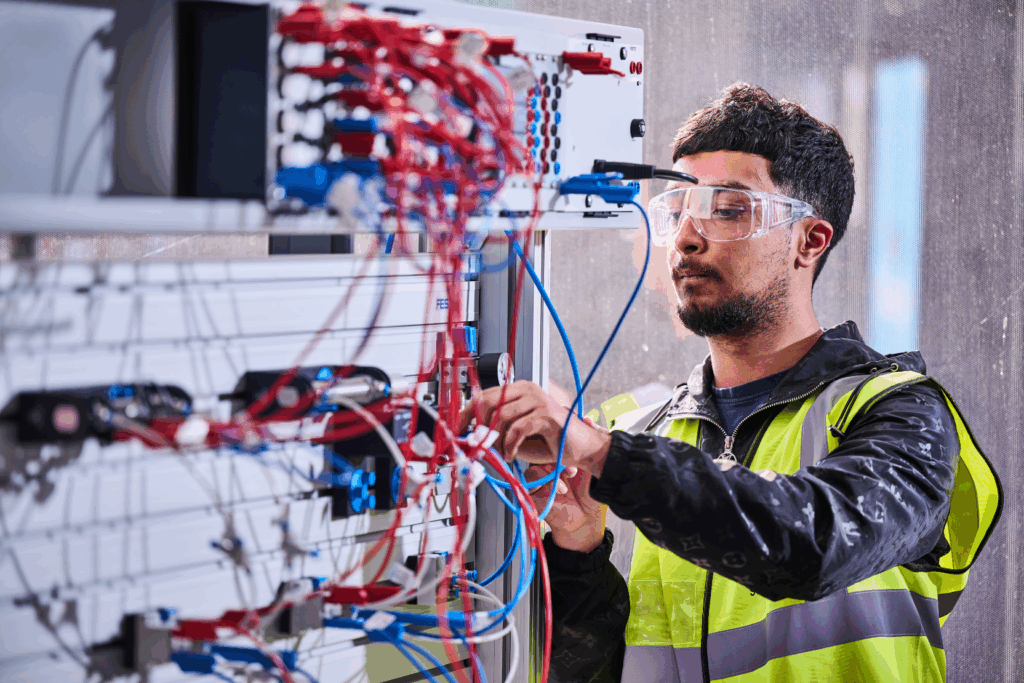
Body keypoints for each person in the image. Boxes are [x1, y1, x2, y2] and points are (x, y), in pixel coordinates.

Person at [458, 83, 1002, 682]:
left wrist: (600, 452)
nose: (688, 237)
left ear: (810, 241)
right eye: (677, 212)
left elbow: (816, 545)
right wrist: (579, 552)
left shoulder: (899, 415)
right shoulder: (644, 431)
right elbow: (606, 670)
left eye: (728, 209)